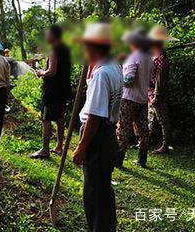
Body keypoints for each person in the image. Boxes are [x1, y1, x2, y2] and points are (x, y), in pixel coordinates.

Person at [72, 22, 122, 232]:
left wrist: (82, 146)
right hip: (107, 135)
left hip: (98, 136)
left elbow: (95, 116)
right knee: (102, 188)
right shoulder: (113, 66)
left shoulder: (103, 74)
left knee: (94, 191)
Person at [30, 25, 72, 159]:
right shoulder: (66, 49)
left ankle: (45, 149)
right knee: (59, 117)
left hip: (52, 90)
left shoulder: (54, 50)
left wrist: (41, 72)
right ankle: (59, 146)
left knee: (46, 118)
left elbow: (52, 71)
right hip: (63, 89)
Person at [116, 27, 154, 168]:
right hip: (143, 99)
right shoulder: (149, 57)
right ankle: (142, 159)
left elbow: (129, 81)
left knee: (123, 129)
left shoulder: (133, 57)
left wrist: (117, 80)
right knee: (143, 129)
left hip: (128, 99)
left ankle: (118, 161)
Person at [147, 25, 176, 154]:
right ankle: (144, 142)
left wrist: (157, 96)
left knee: (163, 120)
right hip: (150, 91)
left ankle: (165, 145)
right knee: (151, 118)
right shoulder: (155, 55)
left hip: (157, 93)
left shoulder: (162, 58)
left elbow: (160, 78)